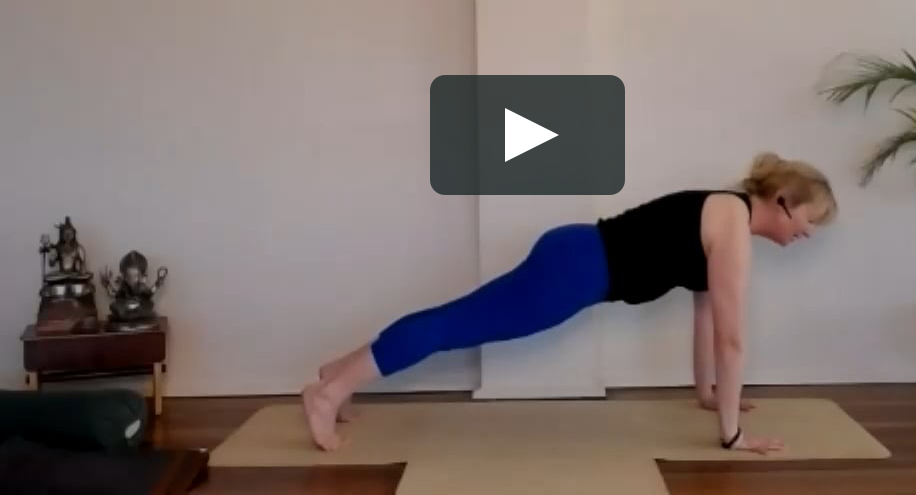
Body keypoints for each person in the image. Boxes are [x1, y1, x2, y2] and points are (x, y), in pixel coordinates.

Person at [302, 152, 837, 454]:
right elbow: (732, 339)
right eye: (810, 221)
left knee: (455, 319)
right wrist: (733, 436)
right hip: (577, 270)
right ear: (783, 203)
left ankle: (337, 373)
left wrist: (707, 395)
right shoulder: (733, 227)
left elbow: (706, 319)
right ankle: (329, 394)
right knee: (453, 327)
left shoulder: (727, 215)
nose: (808, 234)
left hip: (575, 254)